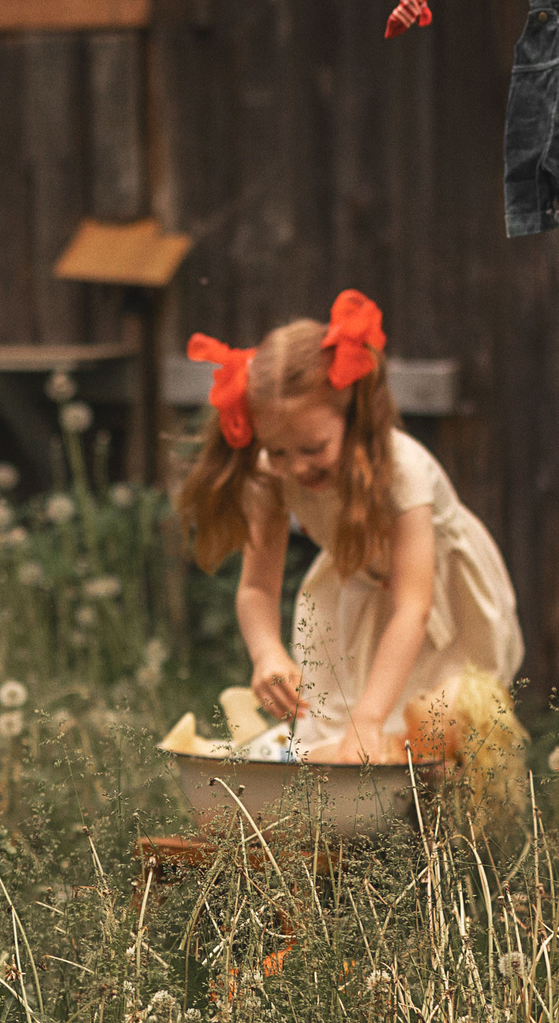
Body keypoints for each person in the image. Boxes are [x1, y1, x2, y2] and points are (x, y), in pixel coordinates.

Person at [176, 290, 523, 766]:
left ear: (354, 418)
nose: (295, 467)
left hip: (434, 597)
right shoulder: (270, 475)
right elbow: (256, 587)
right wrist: (266, 653)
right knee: (340, 737)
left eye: (313, 448)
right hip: (358, 590)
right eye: (278, 450)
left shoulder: (404, 474)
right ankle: (356, 826)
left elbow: (412, 610)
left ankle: (449, 831)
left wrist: (370, 718)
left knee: (441, 724)